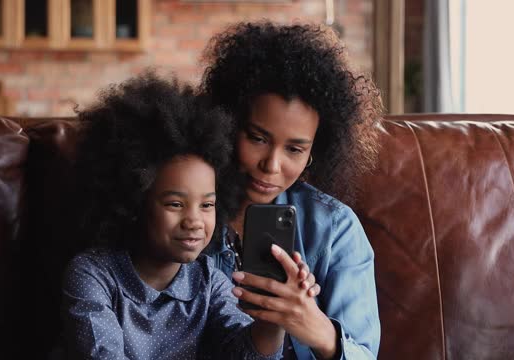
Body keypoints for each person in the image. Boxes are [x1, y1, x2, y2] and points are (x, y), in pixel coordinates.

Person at [60, 72, 291, 359]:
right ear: (133, 202)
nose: (194, 221)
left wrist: (273, 322)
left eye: (207, 205)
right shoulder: (92, 276)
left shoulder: (210, 283)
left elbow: (245, 353)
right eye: (175, 204)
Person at [200, 21, 383, 359]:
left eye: (294, 150)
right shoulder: (188, 213)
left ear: (315, 152)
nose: (271, 165)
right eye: (257, 138)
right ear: (227, 124)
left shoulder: (334, 230)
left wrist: (314, 326)